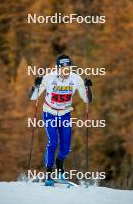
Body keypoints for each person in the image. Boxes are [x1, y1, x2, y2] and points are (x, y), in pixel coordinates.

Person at [30, 54, 92, 186]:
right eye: (63, 68)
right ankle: (49, 173)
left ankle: (59, 163)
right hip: (50, 113)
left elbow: (87, 99)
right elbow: (33, 97)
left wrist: (88, 89)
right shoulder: (48, 78)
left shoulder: (76, 79)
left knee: (65, 146)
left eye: (68, 68)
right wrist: (36, 86)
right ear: (58, 69)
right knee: (53, 141)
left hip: (65, 114)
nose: (66, 71)